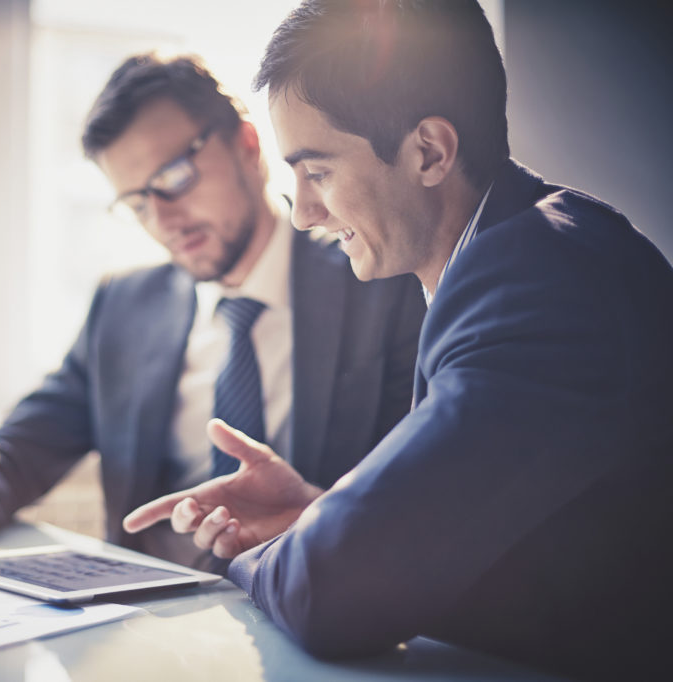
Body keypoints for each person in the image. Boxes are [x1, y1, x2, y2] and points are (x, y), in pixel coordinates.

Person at [122, 2, 673, 679]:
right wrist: (317, 515)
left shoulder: (542, 290)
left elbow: (330, 591)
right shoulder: (524, 255)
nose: (302, 214)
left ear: (429, 152)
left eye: (317, 171)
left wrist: (253, 558)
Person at [0, 53, 425, 570]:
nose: (163, 220)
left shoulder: (378, 280)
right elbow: (18, 448)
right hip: (144, 625)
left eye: (172, 178)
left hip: (309, 613)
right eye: (137, 203)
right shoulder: (125, 306)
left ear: (247, 146)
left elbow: (416, 500)